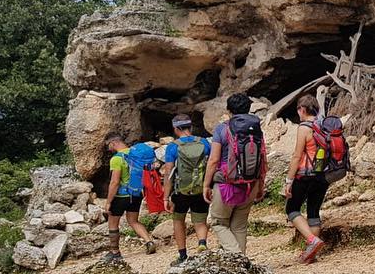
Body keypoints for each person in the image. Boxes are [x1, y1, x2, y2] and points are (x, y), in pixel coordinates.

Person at [202, 93, 264, 253]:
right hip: (251, 184)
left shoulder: (222, 129)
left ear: (229, 110)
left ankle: (236, 256)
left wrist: (206, 185)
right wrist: (260, 186)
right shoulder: (256, 130)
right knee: (239, 225)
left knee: (218, 223)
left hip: (225, 185)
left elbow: (214, 159)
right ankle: (241, 263)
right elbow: (263, 159)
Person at [283, 94, 329, 264]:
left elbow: (297, 156)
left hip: (305, 175)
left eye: (298, 111)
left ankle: (312, 240)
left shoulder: (304, 127)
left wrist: (289, 181)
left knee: (292, 209)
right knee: (313, 211)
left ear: (302, 110)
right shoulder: (324, 124)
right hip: (323, 175)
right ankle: (311, 255)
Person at [162, 114, 211, 263]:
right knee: (200, 221)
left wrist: (165, 197)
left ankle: (183, 255)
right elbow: (211, 165)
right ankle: (202, 244)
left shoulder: (173, 147)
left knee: (178, 221)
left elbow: (169, 173)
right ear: (190, 127)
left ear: (176, 129)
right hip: (200, 188)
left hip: (180, 190)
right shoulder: (204, 142)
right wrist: (209, 186)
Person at [102, 132, 156, 261]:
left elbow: (114, 182)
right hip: (136, 194)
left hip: (121, 196)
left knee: (113, 222)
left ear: (113, 143)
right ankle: (149, 242)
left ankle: (115, 252)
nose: (108, 148)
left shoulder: (117, 158)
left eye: (108, 145)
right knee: (133, 221)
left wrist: (108, 201)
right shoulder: (136, 154)